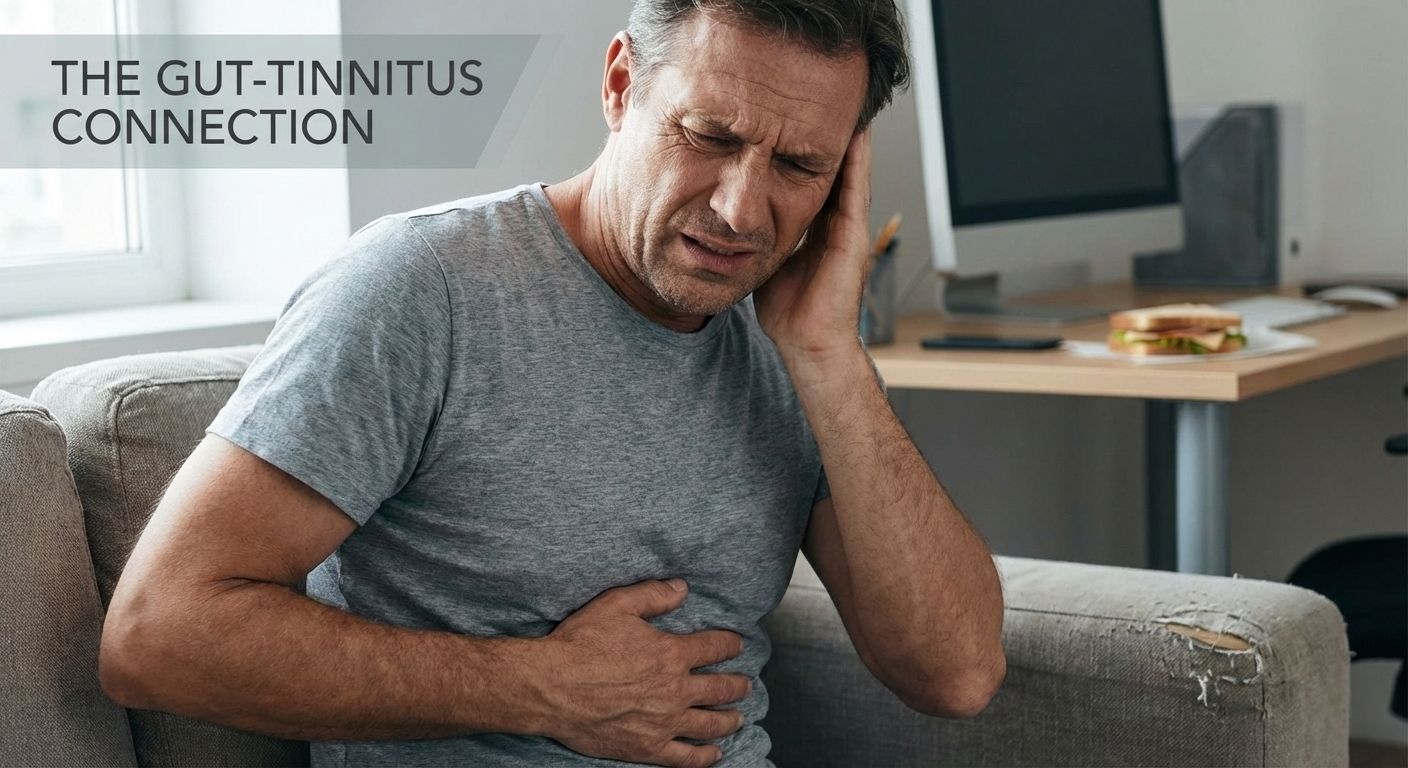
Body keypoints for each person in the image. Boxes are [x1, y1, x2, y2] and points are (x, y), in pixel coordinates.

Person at [98, 1, 1006, 766]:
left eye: (798, 166)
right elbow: (158, 633)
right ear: (620, 85)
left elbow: (955, 675)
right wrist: (541, 689)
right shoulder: (426, 288)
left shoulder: (793, 338)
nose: (739, 208)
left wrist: (830, 361)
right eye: (709, 136)